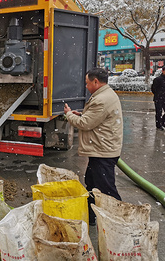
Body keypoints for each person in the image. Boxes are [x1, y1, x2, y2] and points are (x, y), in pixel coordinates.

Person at [64, 67, 123, 226]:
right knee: (91, 184)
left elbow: (85, 124)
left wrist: (69, 114)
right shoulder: (104, 95)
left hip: (103, 152)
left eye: (87, 83)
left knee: (107, 191)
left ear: (96, 81)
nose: (86, 86)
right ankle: (91, 216)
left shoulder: (101, 99)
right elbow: (94, 119)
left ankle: (119, 225)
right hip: (101, 149)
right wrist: (81, 114)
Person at [151, 65, 165, 131]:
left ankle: (162, 121)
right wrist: (158, 94)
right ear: (163, 71)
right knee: (159, 113)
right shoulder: (157, 79)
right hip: (159, 98)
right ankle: (158, 125)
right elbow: (153, 89)